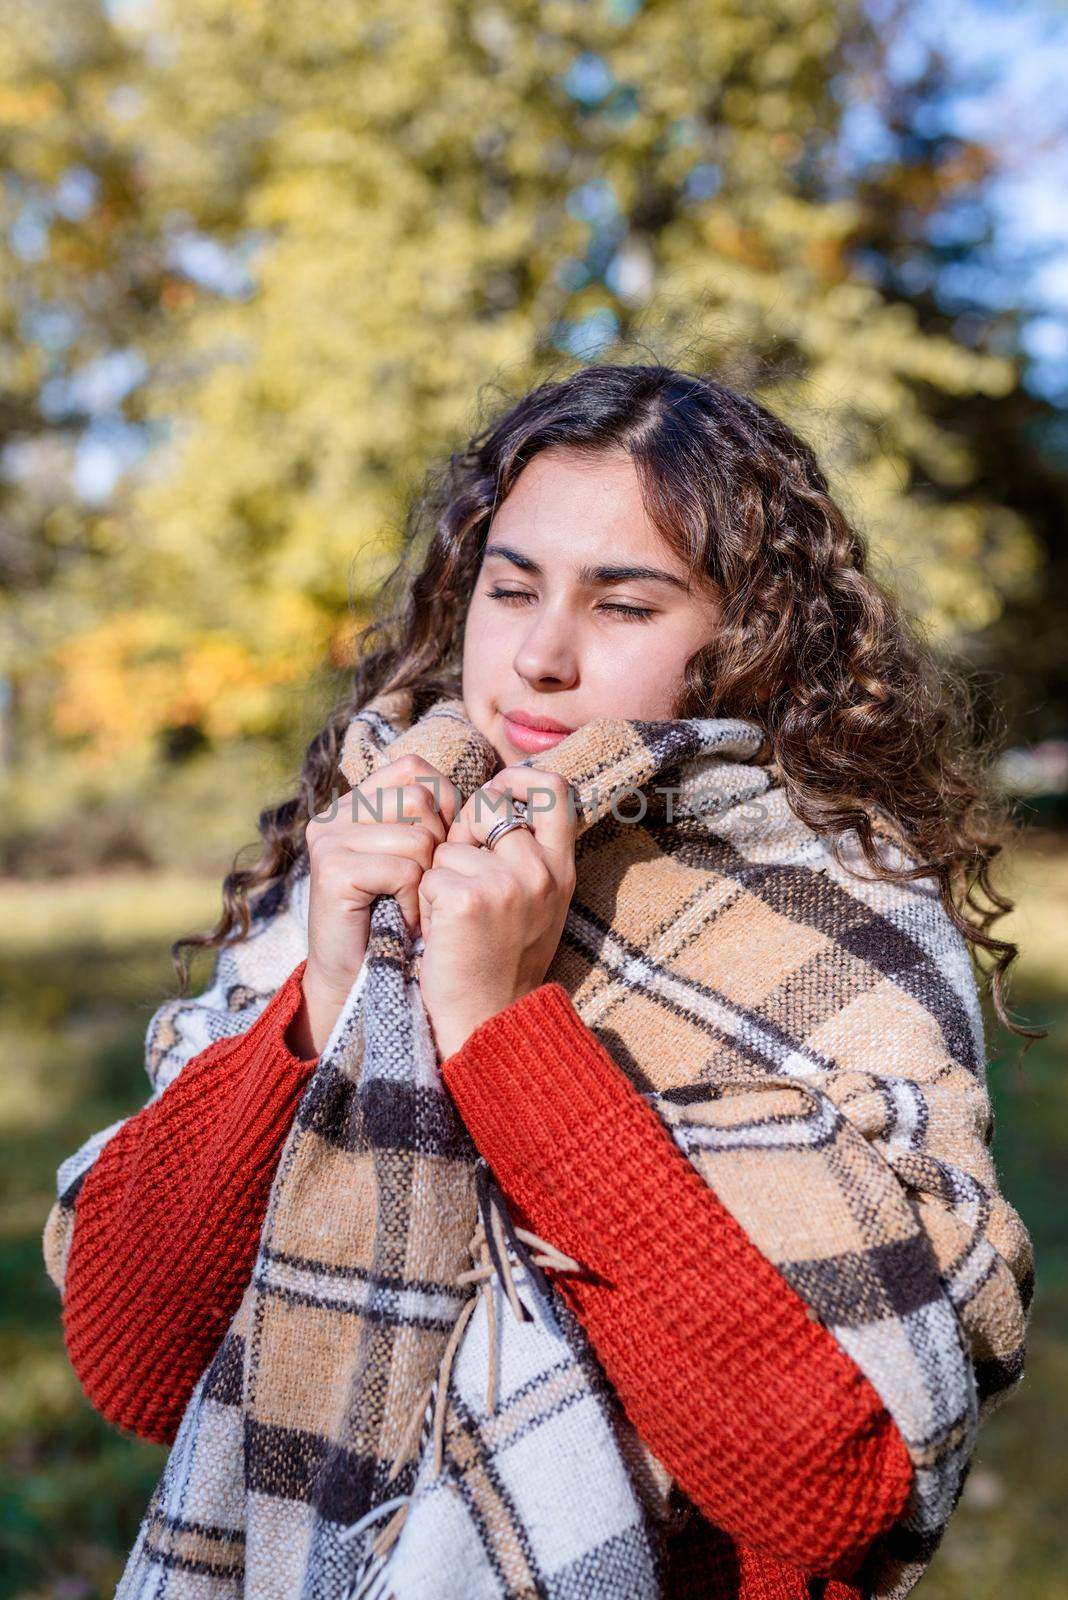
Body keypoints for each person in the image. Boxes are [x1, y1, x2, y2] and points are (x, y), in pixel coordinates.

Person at [44, 364, 1036, 1600]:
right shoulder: (378, 833)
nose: (540, 658)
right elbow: (135, 1359)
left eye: (623, 607)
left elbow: (843, 1484)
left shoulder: (833, 924)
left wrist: (501, 1030)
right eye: (511, 589)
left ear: (749, 635)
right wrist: (326, 997)